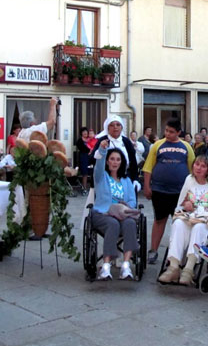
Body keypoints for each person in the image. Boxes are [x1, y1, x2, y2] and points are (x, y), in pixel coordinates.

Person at [158, 156, 208, 285]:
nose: (199, 168)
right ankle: (173, 266)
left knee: (199, 228)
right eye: (197, 164)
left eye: (203, 166)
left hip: (207, 219)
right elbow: (181, 202)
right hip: (190, 216)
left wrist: (205, 209)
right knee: (178, 224)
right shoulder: (189, 179)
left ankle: (189, 268)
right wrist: (186, 204)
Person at [143, 118, 195, 265]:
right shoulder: (157, 145)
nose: (168, 134)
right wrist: (147, 186)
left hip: (180, 192)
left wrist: (192, 192)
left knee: (179, 222)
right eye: (166, 131)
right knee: (159, 220)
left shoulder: (186, 147)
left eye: (171, 132)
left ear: (179, 132)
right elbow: (148, 168)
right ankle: (153, 250)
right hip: (159, 190)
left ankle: (175, 254)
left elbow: (193, 169)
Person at [92, 140, 139, 280]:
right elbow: (98, 165)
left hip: (122, 214)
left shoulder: (126, 181)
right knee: (112, 224)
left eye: (118, 159)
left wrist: (123, 208)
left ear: (121, 162)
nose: (115, 162)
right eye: (112, 159)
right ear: (107, 161)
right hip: (103, 213)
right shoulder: (101, 177)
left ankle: (126, 264)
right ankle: (106, 266)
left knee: (130, 224)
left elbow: (132, 201)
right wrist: (102, 149)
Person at [90, 115, 139, 183]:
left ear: (121, 127)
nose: (115, 127)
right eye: (112, 125)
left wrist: (135, 179)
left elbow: (133, 161)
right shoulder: (102, 140)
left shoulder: (126, 141)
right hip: (106, 179)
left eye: (118, 125)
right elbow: (92, 159)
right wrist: (100, 151)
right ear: (108, 128)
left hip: (125, 177)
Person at [75, 127, 92, 191]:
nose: (85, 133)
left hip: (91, 157)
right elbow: (82, 149)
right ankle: (84, 188)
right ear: (81, 133)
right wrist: (89, 148)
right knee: (84, 172)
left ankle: (92, 188)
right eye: (83, 132)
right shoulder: (79, 141)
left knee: (92, 171)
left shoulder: (91, 139)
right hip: (83, 157)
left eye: (86, 131)